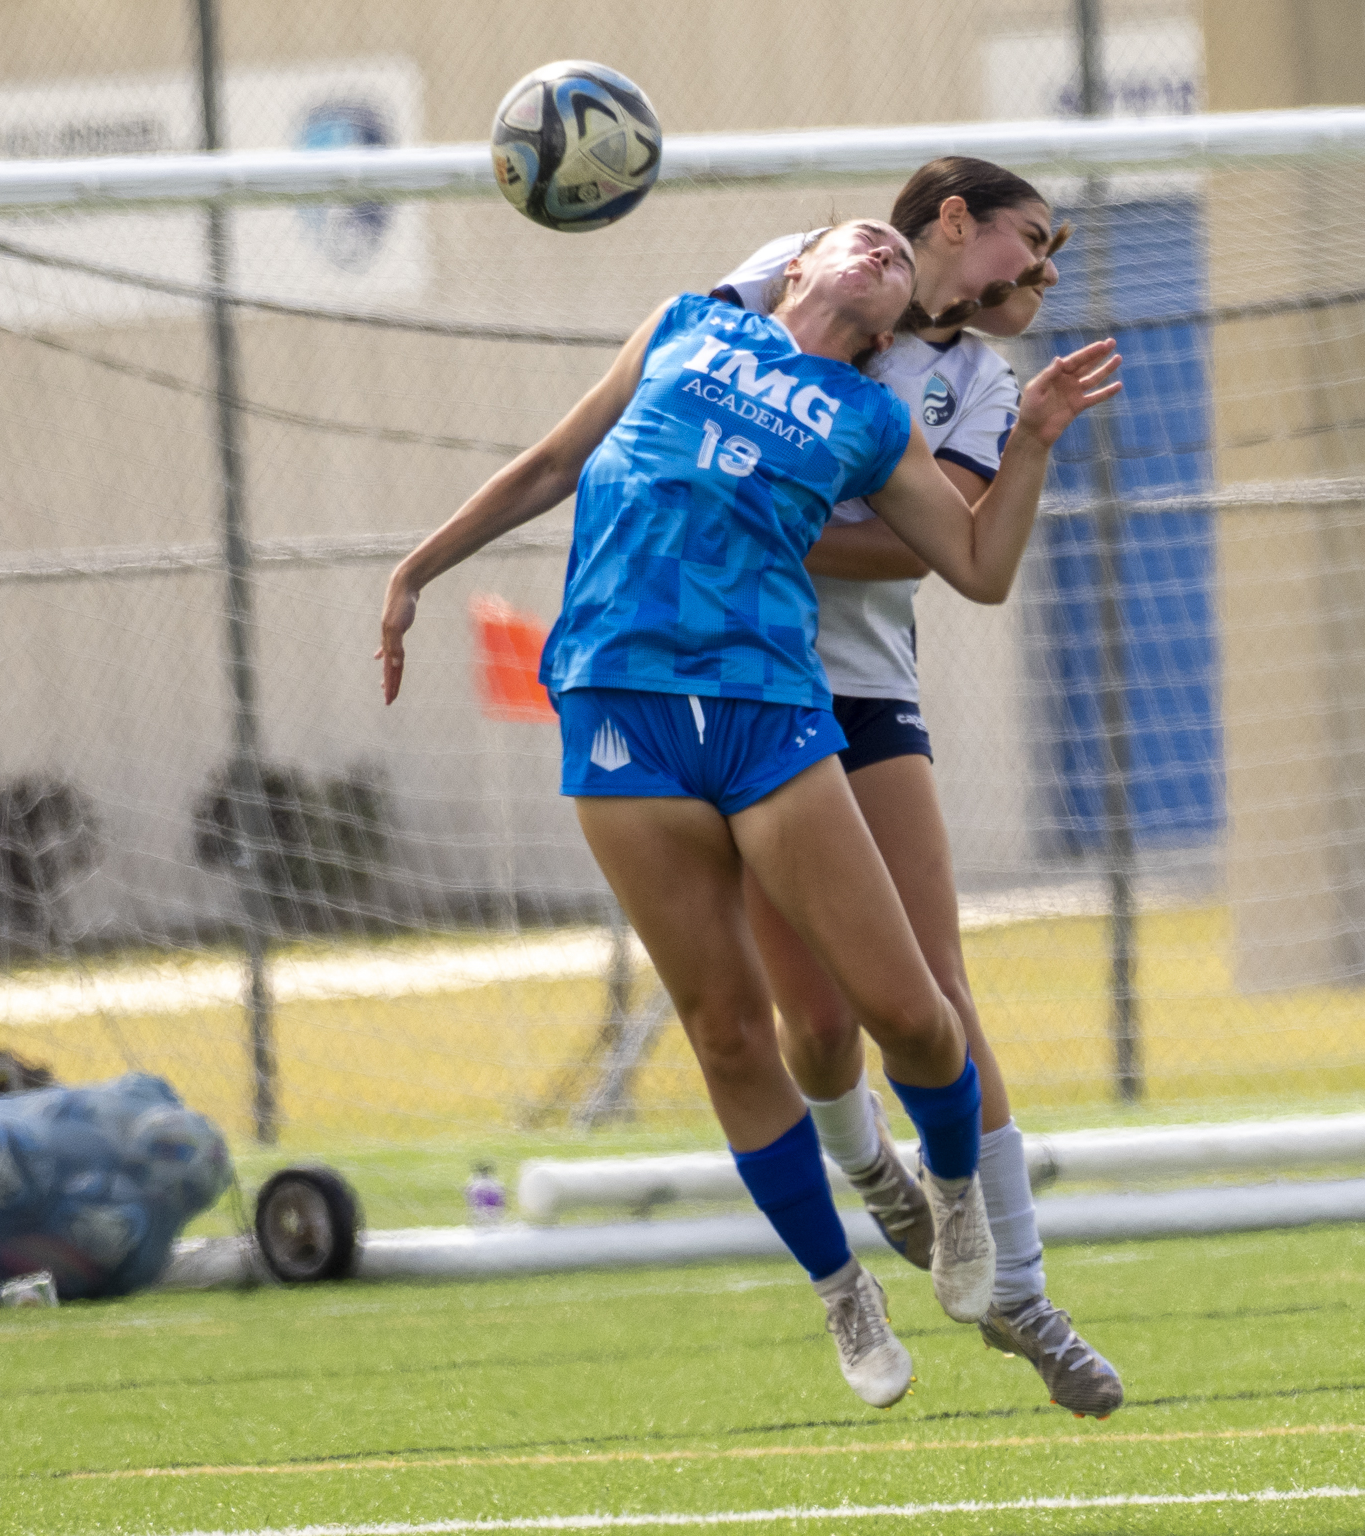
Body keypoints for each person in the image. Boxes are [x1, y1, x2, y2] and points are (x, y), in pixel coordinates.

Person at [377, 219, 1122, 1409]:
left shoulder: (873, 420)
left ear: (891, 330)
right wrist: (418, 569)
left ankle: (954, 1198)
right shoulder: (683, 326)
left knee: (914, 1017)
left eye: (892, 256)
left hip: (768, 705)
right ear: (790, 269)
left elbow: (976, 569)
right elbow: (548, 465)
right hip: (618, 697)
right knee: (728, 1030)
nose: (875, 249)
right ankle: (843, 1292)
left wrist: (1028, 438)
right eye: (854, 241)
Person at [711, 158, 1124, 1418]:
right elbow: (675, 407)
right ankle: (874, 1181)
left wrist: (761, 511)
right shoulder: (802, 268)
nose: (1037, 277)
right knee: (817, 1026)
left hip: (861, 693)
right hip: (741, 685)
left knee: (935, 995)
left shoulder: (978, 382)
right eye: (1027, 247)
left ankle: (1021, 1292)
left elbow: (930, 543)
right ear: (952, 221)